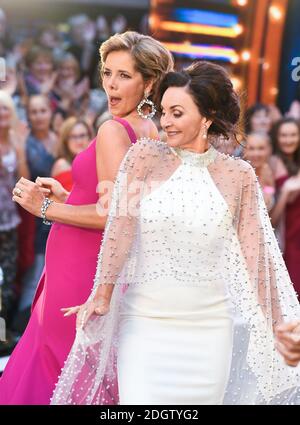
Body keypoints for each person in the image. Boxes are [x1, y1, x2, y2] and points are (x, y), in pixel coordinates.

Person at [52, 61, 300, 406]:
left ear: (207, 116)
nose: (165, 122)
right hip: (143, 324)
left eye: (177, 113)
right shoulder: (143, 158)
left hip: (209, 330)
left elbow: (256, 257)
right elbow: (120, 228)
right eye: (163, 112)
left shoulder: (238, 175)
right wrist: (103, 293)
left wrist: (279, 323)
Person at [0, 31, 174, 405]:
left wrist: (43, 208)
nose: (111, 83)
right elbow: (125, 204)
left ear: (149, 83)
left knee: (58, 366)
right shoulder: (152, 132)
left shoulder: (114, 129)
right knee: (80, 368)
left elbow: (114, 214)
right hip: (96, 264)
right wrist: (69, 195)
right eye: (107, 72)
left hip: (80, 269)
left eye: (124, 76)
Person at [269, 118, 300, 296]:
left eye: (293, 135)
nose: (288, 140)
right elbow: (271, 220)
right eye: (283, 135)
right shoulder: (272, 163)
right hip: (287, 236)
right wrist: (286, 192)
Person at [51, 117, 93, 191]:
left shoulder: (96, 162)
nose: (79, 141)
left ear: (89, 138)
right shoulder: (62, 165)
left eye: (82, 135)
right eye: (73, 137)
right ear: (65, 141)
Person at [243, 132, 275, 211]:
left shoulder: (270, 171)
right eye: (251, 148)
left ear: (269, 149)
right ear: (244, 150)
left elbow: (269, 197)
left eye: (261, 148)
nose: (256, 153)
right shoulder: (240, 174)